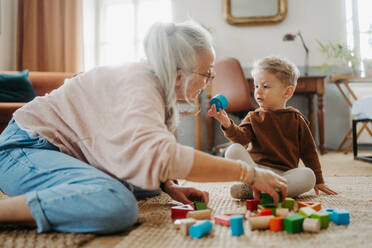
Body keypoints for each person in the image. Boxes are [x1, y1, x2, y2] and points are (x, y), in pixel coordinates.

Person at [0, 22, 287, 234]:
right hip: (22, 151)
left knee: (146, 184)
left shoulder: (154, 85)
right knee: (116, 204)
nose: (209, 81)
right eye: (206, 73)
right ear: (179, 74)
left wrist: (168, 185)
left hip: (60, 153)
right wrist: (248, 173)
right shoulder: (140, 84)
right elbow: (164, 155)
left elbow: (136, 150)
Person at [208, 56, 337, 200]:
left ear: (287, 92)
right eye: (256, 86)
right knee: (233, 150)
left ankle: (259, 190)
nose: (258, 91)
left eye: (265, 86)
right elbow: (240, 138)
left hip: (284, 175)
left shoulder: (297, 119)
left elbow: (309, 152)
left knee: (308, 176)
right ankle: (263, 187)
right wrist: (227, 123)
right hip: (257, 170)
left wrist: (319, 181)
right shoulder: (253, 117)